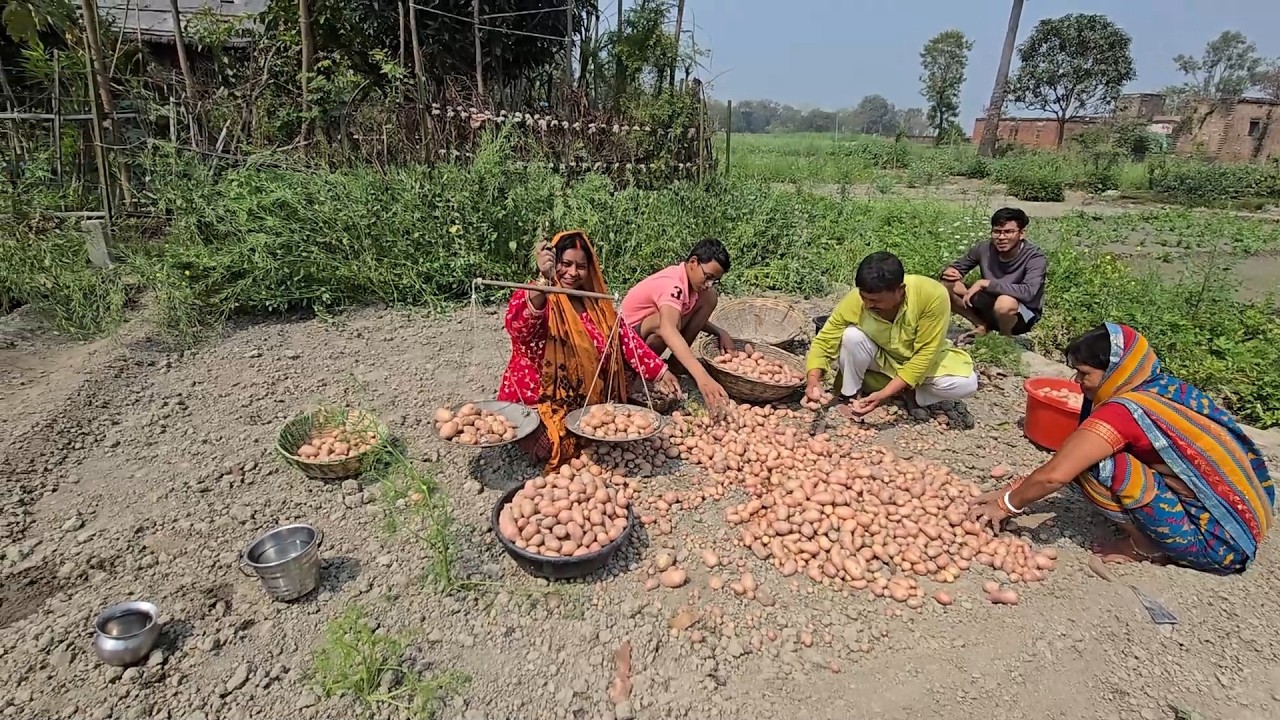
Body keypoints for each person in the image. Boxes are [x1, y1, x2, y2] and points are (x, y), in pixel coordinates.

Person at [969, 323, 1273, 573]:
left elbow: (1056, 475)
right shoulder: (1163, 388)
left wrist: (1007, 505)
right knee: (1086, 453)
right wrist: (1014, 488)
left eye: (1084, 373)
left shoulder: (1124, 412)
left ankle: (1145, 546)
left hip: (1218, 546)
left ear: (1115, 370)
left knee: (1093, 465)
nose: (1077, 381)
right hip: (1244, 519)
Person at [499, 230, 682, 470]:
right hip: (541, 396)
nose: (572, 273)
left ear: (591, 269)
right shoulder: (538, 296)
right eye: (565, 264)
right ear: (553, 263)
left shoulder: (595, 304)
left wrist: (659, 371)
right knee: (551, 446)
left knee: (619, 388)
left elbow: (625, 338)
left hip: (584, 396)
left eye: (581, 267)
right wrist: (544, 281)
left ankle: (585, 419)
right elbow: (519, 329)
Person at [805, 251, 978, 416]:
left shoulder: (931, 295)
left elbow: (925, 354)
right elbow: (825, 339)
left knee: (967, 383)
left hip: (924, 362)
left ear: (900, 290)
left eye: (875, 301)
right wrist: (813, 380)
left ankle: (907, 392)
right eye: (864, 297)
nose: (867, 304)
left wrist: (884, 394)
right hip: (883, 358)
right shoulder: (856, 299)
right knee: (851, 336)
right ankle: (851, 393)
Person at [621, 238, 736, 417]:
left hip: (645, 336)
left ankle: (676, 365)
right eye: (708, 277)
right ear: (693, 262)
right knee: (665, 323)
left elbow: (682, 314)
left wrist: (719, 332)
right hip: (627, 346)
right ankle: (643, 374)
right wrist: (702, 376)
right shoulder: (673, 285)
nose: (709, 284)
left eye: (715, 280)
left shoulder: (690, 285)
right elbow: (667, 328)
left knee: (709, 297)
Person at [941, 207, 1047, 343]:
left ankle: (1005, 338)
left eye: (1008, 232)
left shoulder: (1035, 257)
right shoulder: (984, 248)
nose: (1001, 237)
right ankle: (981, 326)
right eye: (997, 232)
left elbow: (1028, 292)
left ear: (1021, 234)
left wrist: (986, 284)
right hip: (989, 302)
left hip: (1022, 314)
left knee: (1005, 302)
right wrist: (950, 272)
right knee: (946, 286)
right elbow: (958, 267)